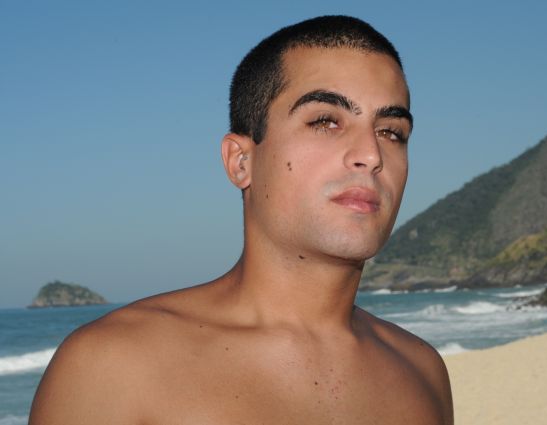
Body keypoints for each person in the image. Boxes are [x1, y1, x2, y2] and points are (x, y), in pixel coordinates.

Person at [29, 15, 453, 425]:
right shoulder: (112, 365)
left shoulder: (422, 371)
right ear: (241, 162)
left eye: (391, 132)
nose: (371, 155)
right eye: (326, 121)